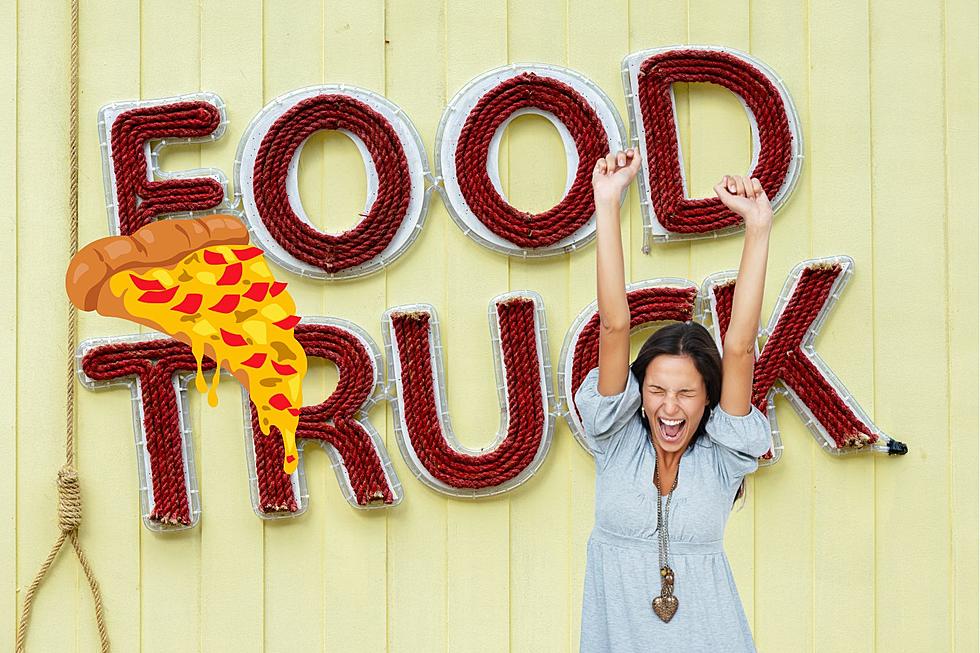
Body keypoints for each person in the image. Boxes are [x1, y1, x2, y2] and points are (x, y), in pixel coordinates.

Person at [575, 149, 774, 652]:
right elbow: (616, 324)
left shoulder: (723, 457)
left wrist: (758, 228)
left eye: (687, 393)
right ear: (640, 395)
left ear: (708, 399)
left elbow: (739, 346)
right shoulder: (615, 440)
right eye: (658, 390)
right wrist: (606, 203)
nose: (670, 407)